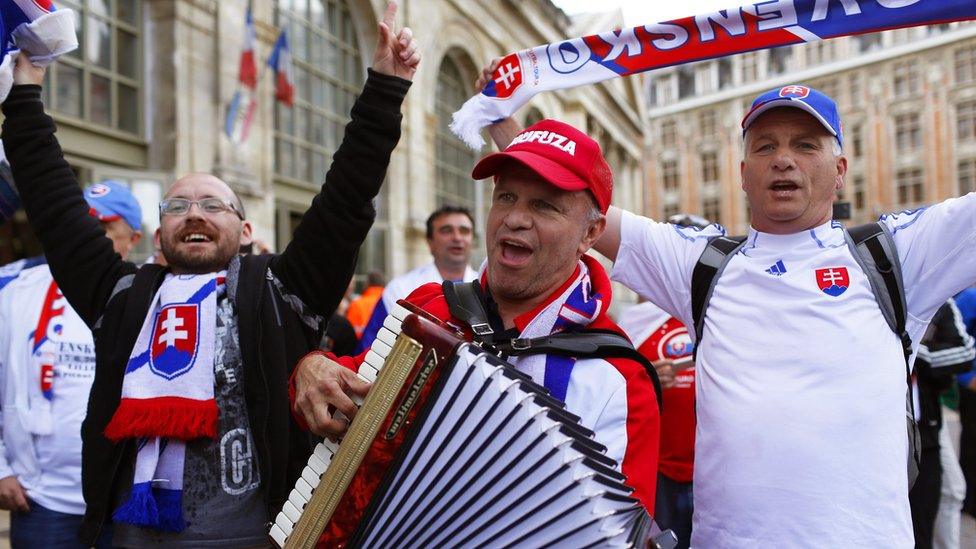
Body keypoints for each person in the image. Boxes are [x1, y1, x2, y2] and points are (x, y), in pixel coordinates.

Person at [482, 80, 976, 545]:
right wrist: (507, 125)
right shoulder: (703, 265)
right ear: (742, 173)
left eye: (805, 145)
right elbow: (577, 205)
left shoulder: (900, 254)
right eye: (765, 147)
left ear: (840, 169)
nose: (783, 160)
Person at [0, 2, 419, 545]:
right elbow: (54, 204)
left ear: (246, 233)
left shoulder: (282, 290)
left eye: (213, 205)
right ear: (158, 238)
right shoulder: (121, 293)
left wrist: (384, 91)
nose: (194, 213)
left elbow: (346, 199)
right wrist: (26, 89)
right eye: (177, 207)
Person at [291, 118, 661, 515]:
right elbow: (344, 387)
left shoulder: (621, 379)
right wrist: (311, 369)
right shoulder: (430, 308)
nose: (515, 218)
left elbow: (618, 533)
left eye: (543, 205)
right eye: (506, 197)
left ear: (591, 234)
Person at [0, 181, 142, 548]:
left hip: (125, 503)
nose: (86, 240)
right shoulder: (13, 286)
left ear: (134, 239)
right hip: (42, 502)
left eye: (103, 229)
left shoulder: (152, 295)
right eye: (82, 226)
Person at [616, 214, 708, 549]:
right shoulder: (633, 321)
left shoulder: (713, 308)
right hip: (658, 468)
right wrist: (649, 379)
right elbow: (615, 390)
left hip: (711, 467)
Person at [355, 205, 477, 352]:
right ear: (429, 242)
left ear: (473, 241)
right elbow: (371, 350)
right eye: (446, 230)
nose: (457, 237)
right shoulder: (399, 289)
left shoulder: (487, 288)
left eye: (464, 231)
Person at [910, 299, 974, 549]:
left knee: (949, 492)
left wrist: (912, 346)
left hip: (927, 425)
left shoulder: (941, 299)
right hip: (885, 423)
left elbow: (964, 352)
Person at [345, 270, 385, 338]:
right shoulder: (388, 302)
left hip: (363, 346)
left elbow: (348, 333)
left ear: (367, 283)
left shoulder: (357, 304)